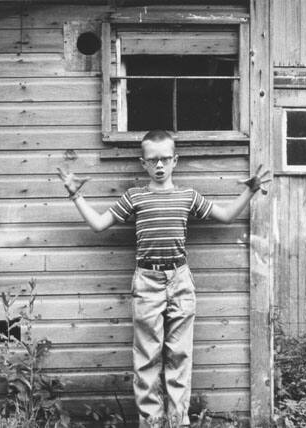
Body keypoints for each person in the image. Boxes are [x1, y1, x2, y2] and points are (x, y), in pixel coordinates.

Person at [57, 130, 271, 427]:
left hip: (180, 280)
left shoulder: (187, 196)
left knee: (179, 357)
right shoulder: (135, 197)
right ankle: (152, 423)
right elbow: (99, 224)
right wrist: (76, 195)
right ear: (143, 163)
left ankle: (178, 421)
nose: (159, 165)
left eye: (165, 159)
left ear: (175, 161)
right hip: (147, 281)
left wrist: (250, 190)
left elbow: (225, 216)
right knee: (147, 359)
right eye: (153, 160)